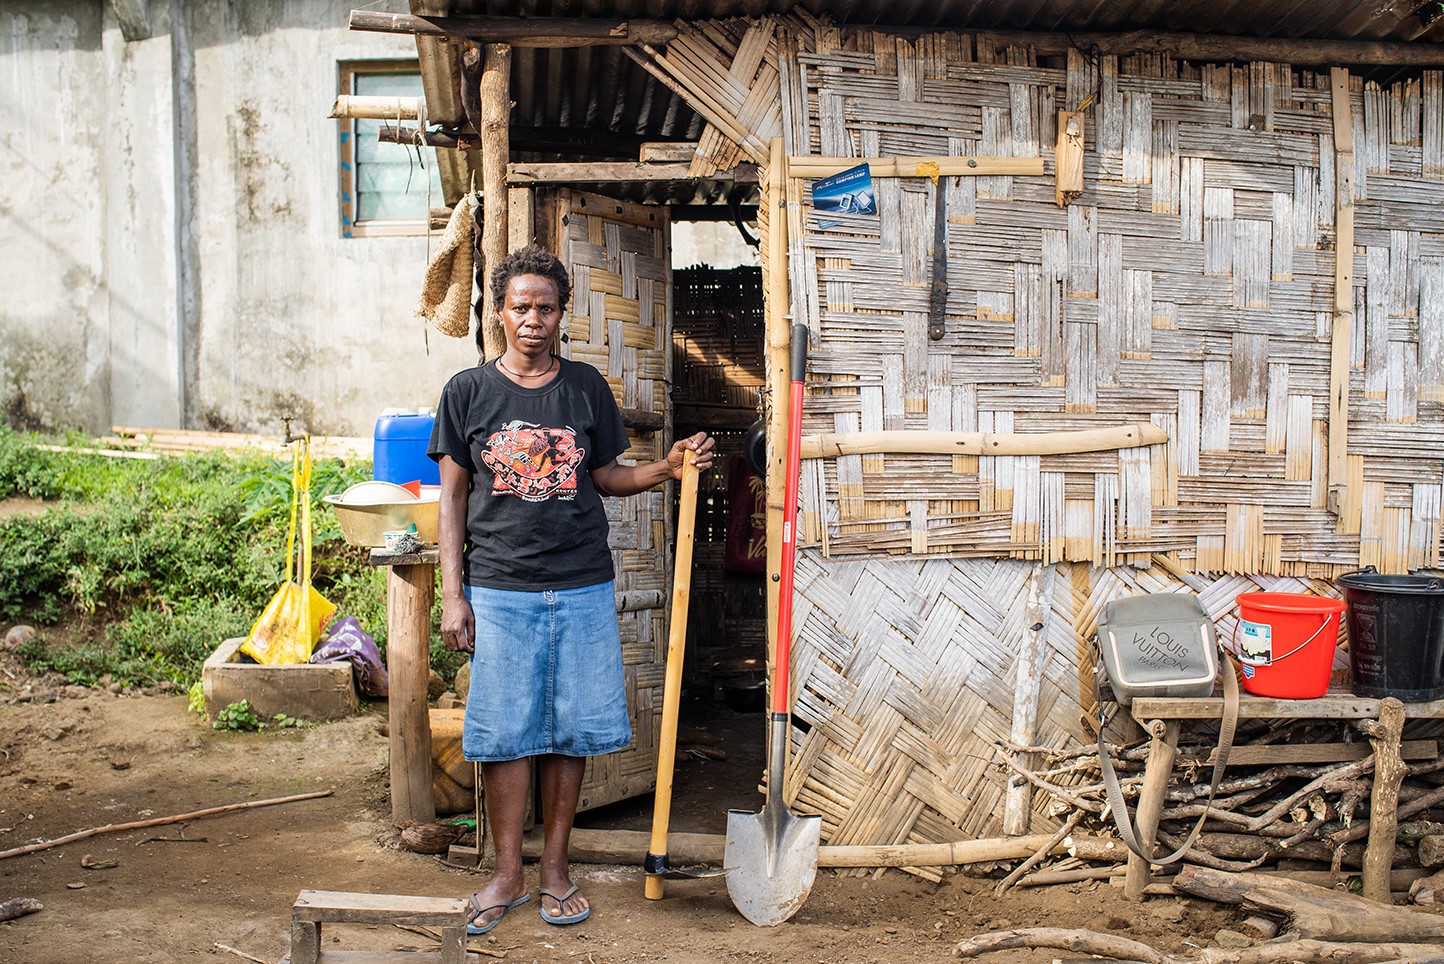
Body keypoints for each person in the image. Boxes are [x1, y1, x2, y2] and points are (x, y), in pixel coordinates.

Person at [429, 244, 714, 935]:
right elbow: (451, 503)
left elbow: (606, 476)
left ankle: (555, 870)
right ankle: (507, 874)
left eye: (546, 307)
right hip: (500, 589)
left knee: (569, 733)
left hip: (582, 584)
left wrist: (665, 471)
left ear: (562, 314)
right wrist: (453, 594)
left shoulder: (584, 387)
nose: (533, 318)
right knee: (504, 735)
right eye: (520, 306)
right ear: (499, 313)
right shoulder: (467, 393)